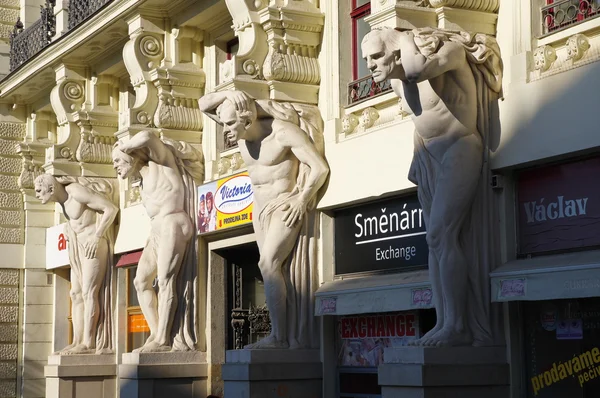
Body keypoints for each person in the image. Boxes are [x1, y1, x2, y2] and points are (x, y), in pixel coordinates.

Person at [361, 27, 503, 347]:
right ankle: (445, 321)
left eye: (375, 56)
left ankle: (458, 326)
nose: (369, 65)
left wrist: (404, 38)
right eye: (366, 59)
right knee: (435, 241)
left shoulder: (448, 53)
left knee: (440, 234)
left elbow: (418, 69)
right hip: (432, 159)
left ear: (398, 50)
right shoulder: (397, 80)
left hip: (460, 148)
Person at [199, 91, 329, 349]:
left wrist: (302, 199)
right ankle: (281, 333)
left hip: (285, 204)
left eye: (230, 124)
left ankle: (278, 337)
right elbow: (204, 106)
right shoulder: (239, 134)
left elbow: (320, 167)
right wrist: (230, 93)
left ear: (247, 120)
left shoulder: (283, 133)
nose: (224, 130)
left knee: (268, 264)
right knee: (272, 269)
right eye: (223, 123)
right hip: (260, 211)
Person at [112, 131, 204, 352]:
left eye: (117, 160)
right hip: (156, 230)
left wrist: (125, 146)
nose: (115, 166)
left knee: (165, 281)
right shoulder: (142, 180)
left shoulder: (161, 162)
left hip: (173, 222)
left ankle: (164, 338)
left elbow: (147, 136)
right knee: (140, 282)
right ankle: (157, 333)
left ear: (131, 154)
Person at [34, 175, 118, 355]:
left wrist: (98, 236)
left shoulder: (76, 192)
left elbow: (110, 208)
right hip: (78, 247)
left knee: (89, 292)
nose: (37, 195)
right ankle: (77, 340)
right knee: (75, 293)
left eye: (39, 190)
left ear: (51, 188)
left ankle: (88, 343)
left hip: (93, 245)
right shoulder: (62, 202)